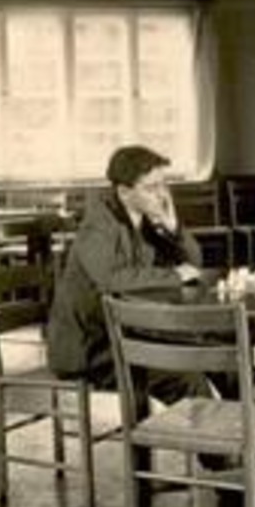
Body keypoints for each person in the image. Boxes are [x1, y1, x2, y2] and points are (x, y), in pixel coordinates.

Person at [47, 145, 203, 399]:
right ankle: (208, 435)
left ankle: (236, 432)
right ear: (123, 191)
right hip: (90, 349)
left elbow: (193, 264)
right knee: (187, 375)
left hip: (126, 331)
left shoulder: (143, 216)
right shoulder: (98, 223)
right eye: (151, 188)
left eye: (164, 185)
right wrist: (175, 275)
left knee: (223, 361)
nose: (162, 195)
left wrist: (173, 227)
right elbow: (111, 279)